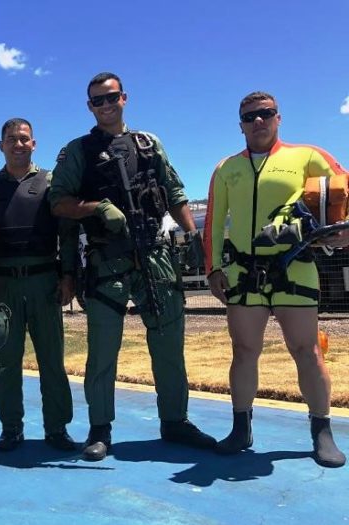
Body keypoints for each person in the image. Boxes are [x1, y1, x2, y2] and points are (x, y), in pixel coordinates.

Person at [48, 72, 216, 462]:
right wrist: (97, 208)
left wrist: (193, 243)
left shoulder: (148, 144)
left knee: (169, 346)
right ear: (89, 106)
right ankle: (100, 429)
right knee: (103, 352)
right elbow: (59, 203)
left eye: (111, 98)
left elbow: (174, 193)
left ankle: (175, 421)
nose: (105, 106)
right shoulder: (78, 151)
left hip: (155, 257)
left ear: (124, 98)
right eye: (97, 101)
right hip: (108, 261)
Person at [204, 91, 347, 468]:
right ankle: (241, 427)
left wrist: (344, 232)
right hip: (244, 272)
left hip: (295, 266)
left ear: (278, 118)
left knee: (307, 350)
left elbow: (344, 191)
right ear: (240, 124)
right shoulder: (226, 168)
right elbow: (215, 224)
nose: (258, 121)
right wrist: (213, 269)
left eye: (265, 114)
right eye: (250, 116)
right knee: (244, 351)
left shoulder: (308, 156)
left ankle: (322, 431)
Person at [0, 118, 76, 452]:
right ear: (1, 145)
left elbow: (67, 234)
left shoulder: (51, 182)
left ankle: (57, 428)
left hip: (44, 282)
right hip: (5, 284)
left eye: (24, 139)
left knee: (52, 359)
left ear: (33, 144)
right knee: (6, 363)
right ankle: (11, 428)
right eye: (11, 139)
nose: (18, 144)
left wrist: (68, 276)